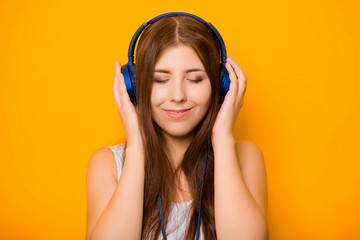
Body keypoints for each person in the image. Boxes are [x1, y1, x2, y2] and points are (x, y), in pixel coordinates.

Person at [86, 13, 268, 240]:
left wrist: (222, 137)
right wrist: (136, 146)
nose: (178, 96)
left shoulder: (245, 157)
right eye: (160, 80)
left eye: (195, 79)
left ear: (222, 84)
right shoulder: (108, 164)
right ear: (134, 86)